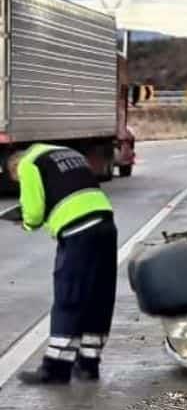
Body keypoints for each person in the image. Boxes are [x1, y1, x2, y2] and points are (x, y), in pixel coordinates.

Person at [3, 145, 116, 384]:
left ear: (15, 166)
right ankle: (88, 363)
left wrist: (26, 223)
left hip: (78, 231)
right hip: (106, 223)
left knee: (69, 297)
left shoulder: (28, 164)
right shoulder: (67, 152)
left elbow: (33, 213)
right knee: (99, 296)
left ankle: (56, 368)